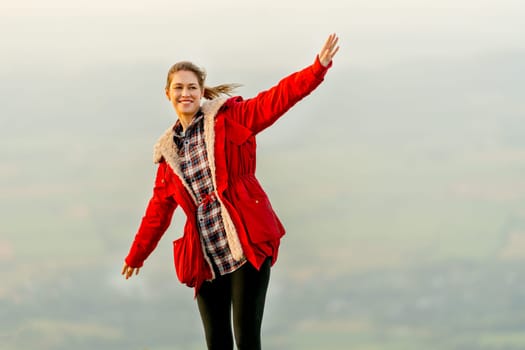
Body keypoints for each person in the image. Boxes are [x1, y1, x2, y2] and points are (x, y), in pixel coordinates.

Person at [122, 33, 340, 350]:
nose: (185, 93)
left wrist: (316, 68)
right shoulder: (168, 154)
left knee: (247, 338)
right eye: (179, 87)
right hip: (206, 253)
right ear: (168, 94)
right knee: (217, 342)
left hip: (245, 241)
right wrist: (137, 254)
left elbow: (277, 99)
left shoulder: (231, 119)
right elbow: (158, 211)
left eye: (192, 87)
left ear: (201, 92)